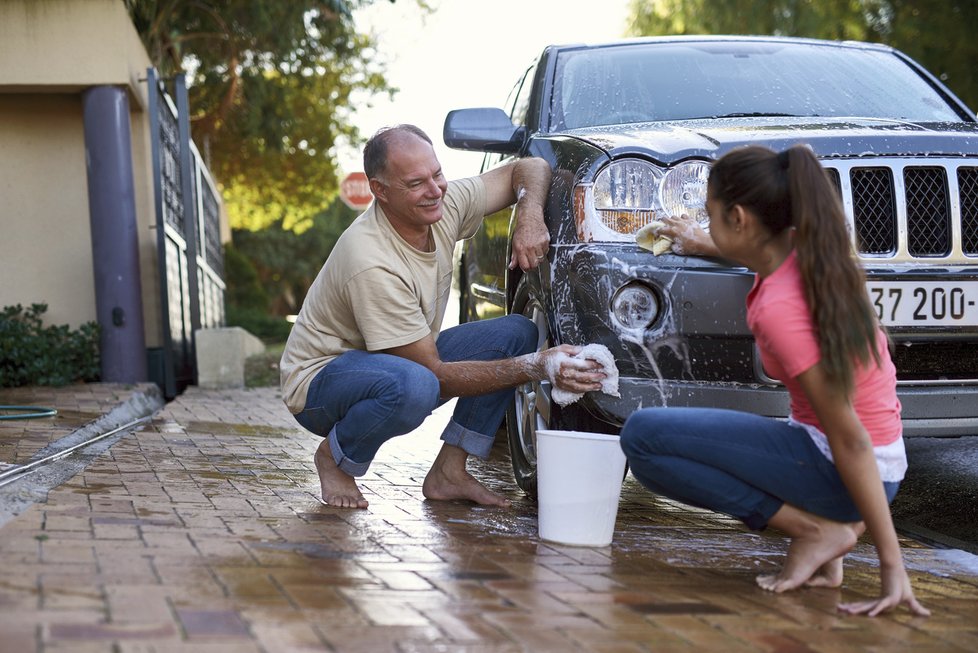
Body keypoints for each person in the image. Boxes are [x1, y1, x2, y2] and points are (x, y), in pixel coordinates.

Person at [620, 145, 929, 617]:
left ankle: (815, 529)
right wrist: (705, 242)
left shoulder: (779, 311)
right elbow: (756, 254)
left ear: (741, 219)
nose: (709, 226)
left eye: (712, 217)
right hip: (876, 458)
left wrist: (892, 564)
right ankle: (827, 530)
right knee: (663, 440)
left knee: (643, 440)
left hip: (845, 467)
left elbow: (849, 439)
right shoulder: (815, 253)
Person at [280, 124, 604, 510]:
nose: (434, 190)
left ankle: (450, 471)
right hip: (321, 384)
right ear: (380, 191)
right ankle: (334, 458)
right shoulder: (370, 260)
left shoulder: (442, 202)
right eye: (416, 183)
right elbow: (432, 375)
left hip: (397, 362)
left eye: (437, 174)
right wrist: (537, 366)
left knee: (515, 333)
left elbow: (530, 167)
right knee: (415, 386)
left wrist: (529, 213)